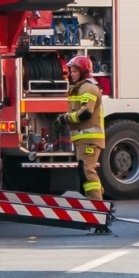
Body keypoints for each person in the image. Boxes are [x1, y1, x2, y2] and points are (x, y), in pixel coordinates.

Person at [61, 55, 106, 203]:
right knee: (85, 171)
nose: (71, 74)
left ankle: (96, 207)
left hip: (89, 139)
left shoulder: (88, 88)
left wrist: (65, 118)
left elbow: (86, 113)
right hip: (83, 140)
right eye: (71, 71)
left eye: (74, 71)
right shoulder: (81, 87)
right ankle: (96, 199)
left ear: (83, 71)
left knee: (87, 171)